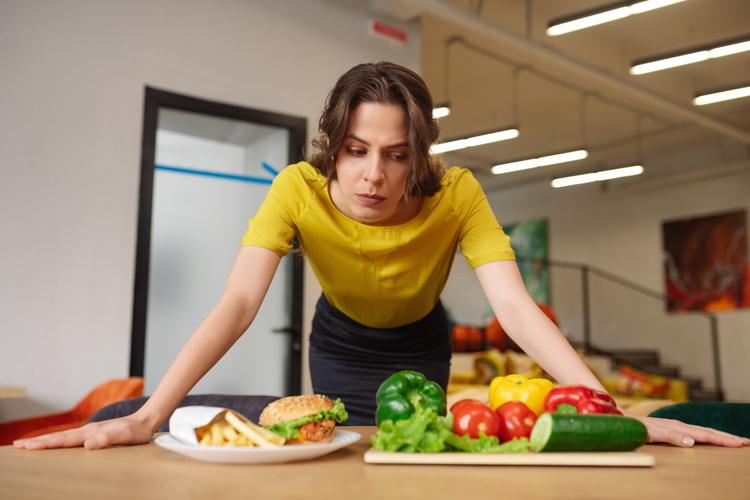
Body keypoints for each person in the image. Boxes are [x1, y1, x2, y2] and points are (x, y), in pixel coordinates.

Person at [15, 62, 748, 450]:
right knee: (337, 450)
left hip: (419, 341)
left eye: (396, 156)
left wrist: (611, 412)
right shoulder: (295, 191)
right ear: (334, 148)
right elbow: (238, 305)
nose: (374, 175)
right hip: (339, 340)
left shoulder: (457, 193)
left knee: (407, 458)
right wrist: (148, 418)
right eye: (358, 152)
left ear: (417, 157)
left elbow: (517, 310)